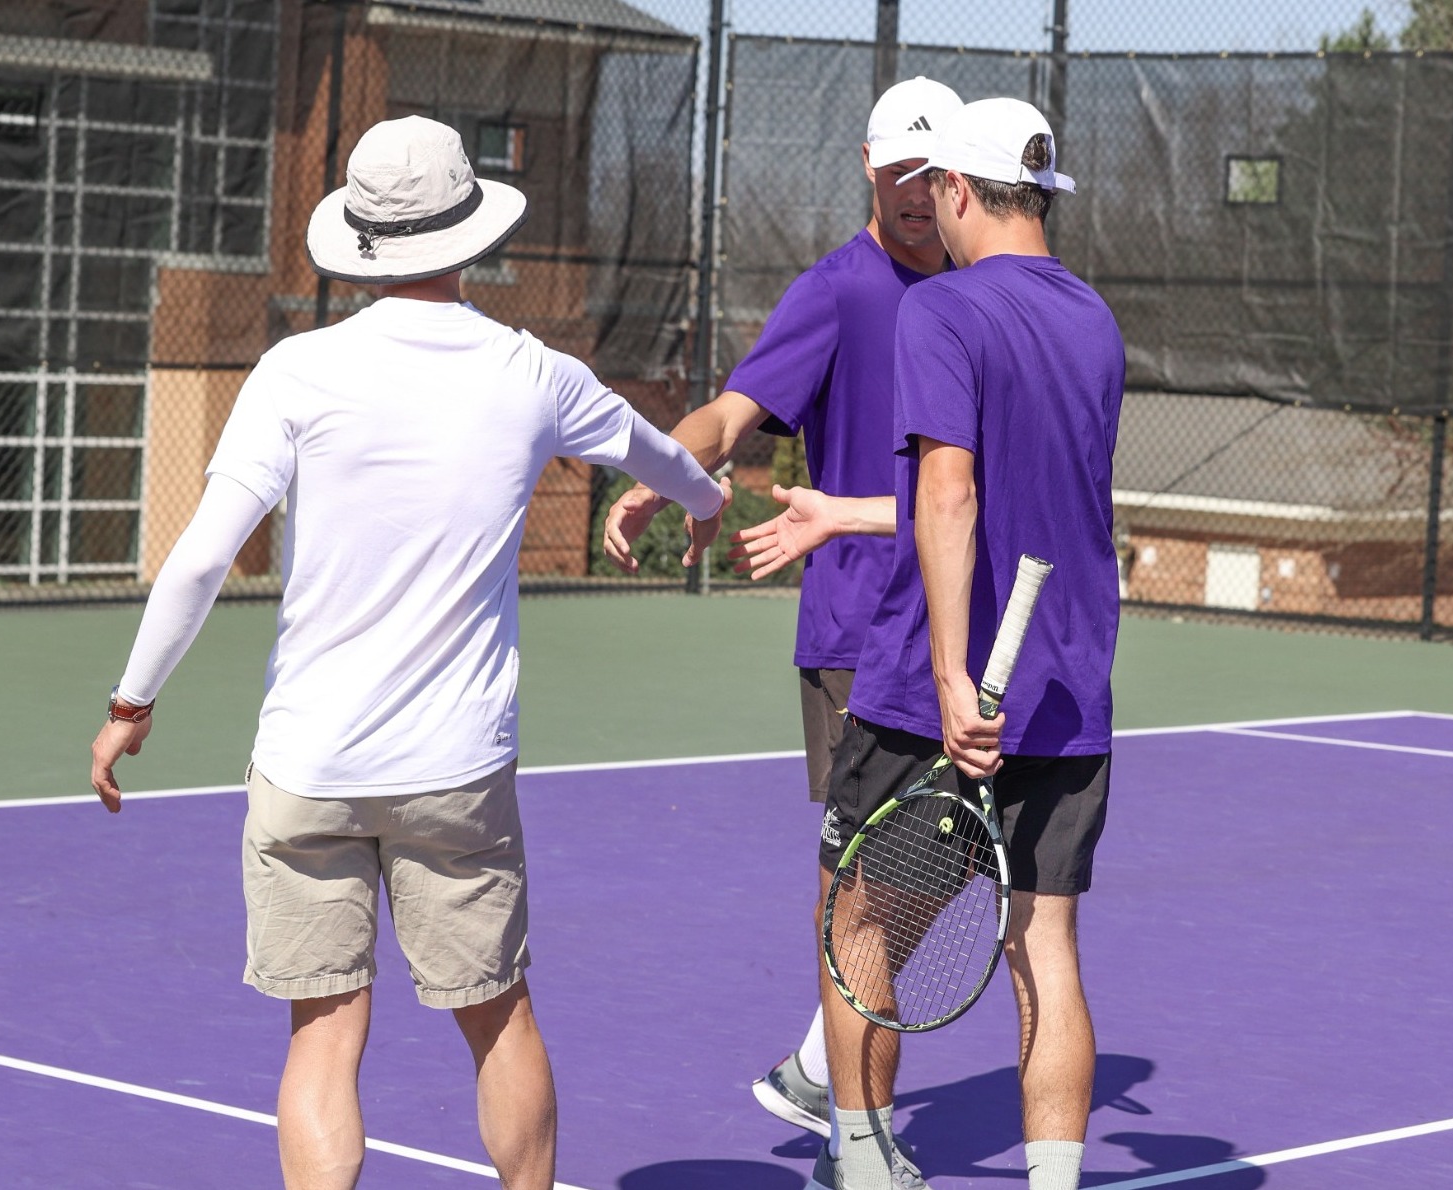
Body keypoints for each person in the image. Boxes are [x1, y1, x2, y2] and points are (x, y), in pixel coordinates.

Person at [87, 116, 728, 1190]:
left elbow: (199, 562)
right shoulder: (535, 372)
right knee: (499, 1018)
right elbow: (663, 457)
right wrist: (701, 504)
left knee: (322, 1035)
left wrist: (132, 701)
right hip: (457, 772)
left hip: (308, 767)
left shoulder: (296, 371)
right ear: (468, 230)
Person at [736, 98, 1122, 1190]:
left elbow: (949, 494)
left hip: (924, 695)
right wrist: (849, 513)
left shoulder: (939, 314)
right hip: (1069, 688)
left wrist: (951, 676)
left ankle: (862, 1164)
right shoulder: (1094, 318)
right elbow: (1028, 496)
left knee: (855, 926)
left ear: (956, 189)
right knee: (1042, 943)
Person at [600, 76, 962, 1178]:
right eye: (896, 170)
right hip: (859, 632)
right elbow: (736, 408)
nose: (912, 192)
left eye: (928, 171)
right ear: (867, 165)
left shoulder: (974, 287)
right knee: (874, 891)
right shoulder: (839, 291)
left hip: (952, 621)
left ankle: (819, 1064)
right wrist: (666, 470)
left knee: (925, 876)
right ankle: (863, 1143)